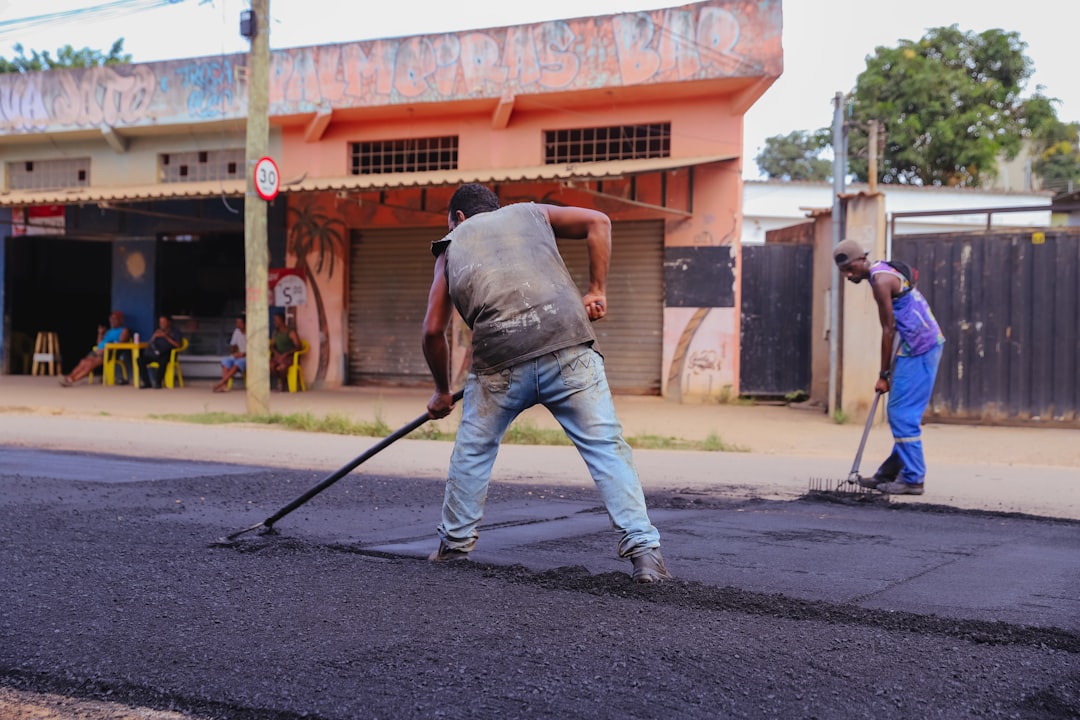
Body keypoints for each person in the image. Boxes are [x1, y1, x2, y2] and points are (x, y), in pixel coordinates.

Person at [422, 183, 671, 584]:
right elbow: (599, 221)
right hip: (568, 347)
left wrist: (440, 391)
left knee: (474, 451)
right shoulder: (530, 212)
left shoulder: (452, 245)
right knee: (606, 448)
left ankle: (453, 547)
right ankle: (645, 553)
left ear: (459, 219)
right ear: (496, 209)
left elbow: (434, 331)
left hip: (499, 362)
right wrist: (597, 289)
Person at [834, 238, 946, 495]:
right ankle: (889, 473)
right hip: (919, 343)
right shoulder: (883, 270)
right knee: (904, 414)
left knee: (900, 415)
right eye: (844, 272)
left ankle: (914, 479)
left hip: (919, 346)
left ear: (863, 259)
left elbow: (888, 329)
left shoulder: (879, 281)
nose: (849, 275)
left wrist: (883, 375)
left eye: (851, 268)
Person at [60, 310, 130, 386]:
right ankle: (70, 376)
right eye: (111, 319)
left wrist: (104, 349)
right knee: (83, 361)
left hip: (109, 352)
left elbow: (120, 344)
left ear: (120, 320)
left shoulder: (124, 330)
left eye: (114, 319)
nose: (112, 321)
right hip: (98, 350)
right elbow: (99, 343)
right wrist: (100, 333)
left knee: (90, 364)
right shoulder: (109, 331)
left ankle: (72, 380)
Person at [137, 315, 183, 389]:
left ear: (169, 322)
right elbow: (149, 344)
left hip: (167, 353)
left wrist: (166, 337)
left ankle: (158, 382)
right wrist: (154, 337)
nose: (162, 324)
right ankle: (147, 382)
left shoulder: (175, 332)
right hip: (155, 353)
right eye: (160, 322)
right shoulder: (158, 331)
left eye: (164, 322)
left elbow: (178, 345)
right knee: (140, 360)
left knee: (163, 361)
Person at [213, 316, 247, 393]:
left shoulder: (251, 333)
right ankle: (225, 385)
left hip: (249, 357)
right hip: (239, 355)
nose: (237, 324)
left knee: (238, 363)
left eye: (239, 323)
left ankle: (221, 382)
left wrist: (244, 354)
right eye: (237, 323)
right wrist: (234, 352)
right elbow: (232, 347)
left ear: (245, 324)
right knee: (226, 361)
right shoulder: (236, 331)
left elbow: (255, 350)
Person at [270, 313, 301, 391]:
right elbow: (271, 346)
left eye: (276, 320)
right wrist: (276, 353)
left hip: (289, 356)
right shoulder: (275, 332)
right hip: (278, 355)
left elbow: (298, 346)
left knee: (283, 367)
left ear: (282, 320)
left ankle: (282, 384)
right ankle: (281, 381)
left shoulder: (290, 332)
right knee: (270, 366)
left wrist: (286, 354)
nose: (274, 322)